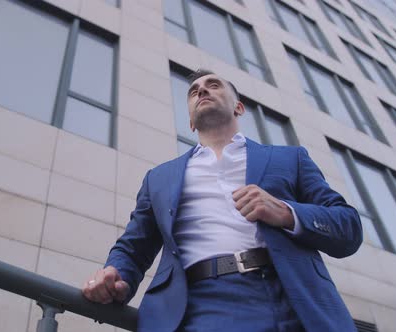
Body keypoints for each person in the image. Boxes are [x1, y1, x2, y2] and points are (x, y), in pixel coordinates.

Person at [82, 69, 362, 331]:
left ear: (238, 107)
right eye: (194, 91)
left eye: (213, 85)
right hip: (197, 307)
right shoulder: (159, 178)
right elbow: (134, 247)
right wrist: (115, 277)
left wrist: (287, 212)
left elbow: (348, 227)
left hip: (290, 297)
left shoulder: (290, 158)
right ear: (191, 121)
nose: (202, 91)